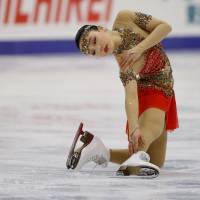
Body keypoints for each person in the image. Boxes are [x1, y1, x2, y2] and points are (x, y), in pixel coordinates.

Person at [66, 10, 179, 177]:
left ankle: (100, 151)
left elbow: (165, 27)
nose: (98, 48)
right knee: (151, 131)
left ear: (101, 28)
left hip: (166, 86)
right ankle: (134, 158)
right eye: (93, 52)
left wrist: (139, 49)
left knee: (155, 162)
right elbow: (131, 97)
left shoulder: (125, 18)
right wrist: (134, 129)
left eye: (94, 40)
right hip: (153, 90)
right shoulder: (124, 64)